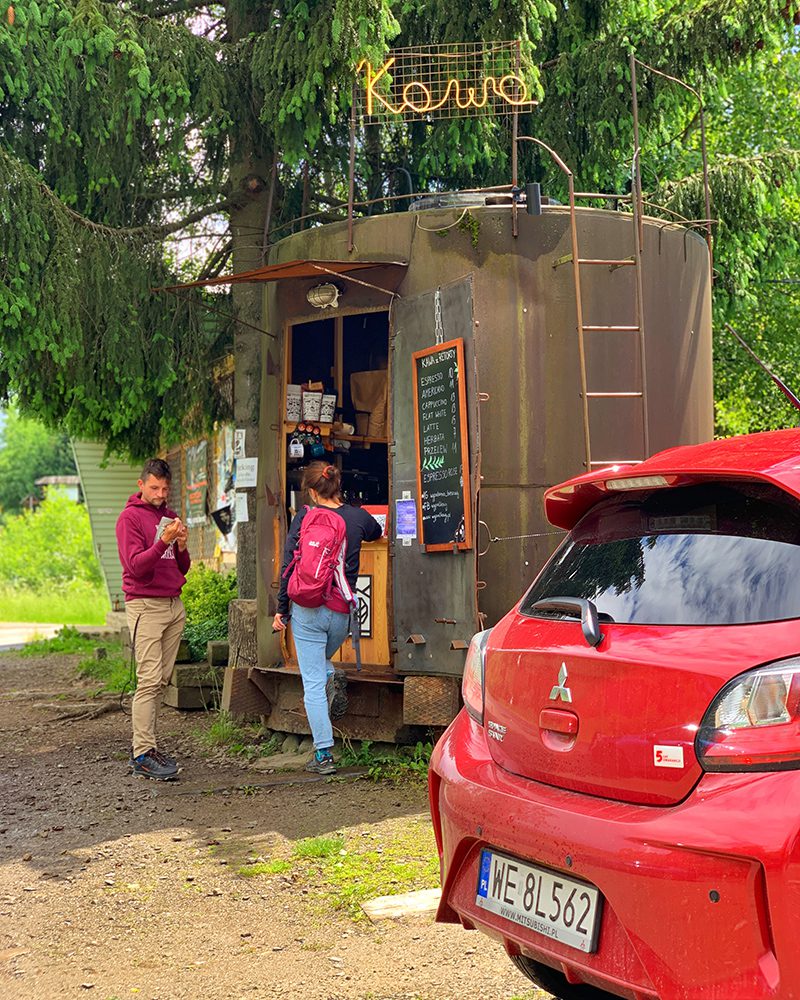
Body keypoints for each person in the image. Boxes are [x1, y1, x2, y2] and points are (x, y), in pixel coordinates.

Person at [273, 462, 382, 775]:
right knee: (320, 665)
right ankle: (332, 673)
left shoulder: (304, 518)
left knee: (312, 682)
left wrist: (282, 609)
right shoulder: (358, 516)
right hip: (341, 612)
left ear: (310, 491)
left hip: (307, 610)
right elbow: (377, 534)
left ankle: (323, 754)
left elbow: (288, 566)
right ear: (338, 485)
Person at [115, 458, 191, 781]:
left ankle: (150, 746)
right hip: (145, 605)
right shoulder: (129, 519)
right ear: (141, 484)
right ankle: (142, 753)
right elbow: (136, 567)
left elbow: (182, 567)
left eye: (165, 488)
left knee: (159, 681)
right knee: (148, 682)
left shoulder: (170, 517)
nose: (160, 494)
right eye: (154, 487)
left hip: (173, 605)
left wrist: (182, 545)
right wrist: (162, 541)